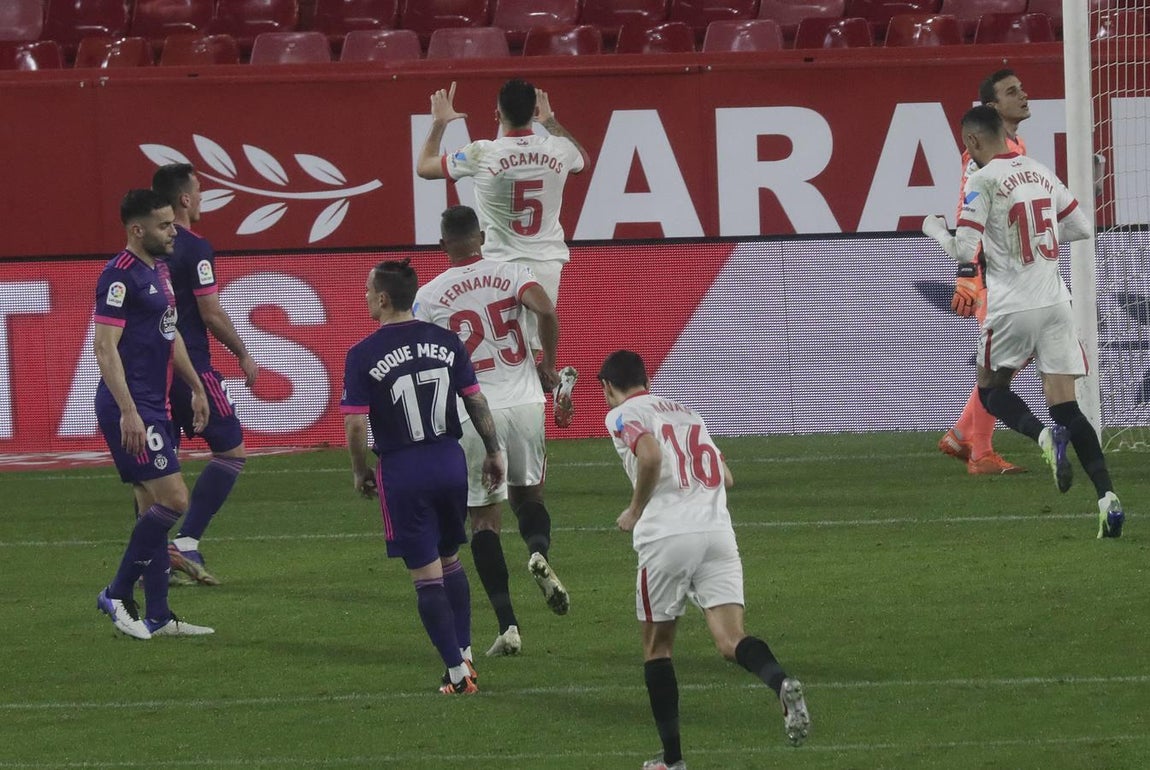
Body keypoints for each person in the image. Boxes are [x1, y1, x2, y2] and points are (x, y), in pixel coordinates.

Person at [598, 350, 811, 770]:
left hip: (667, 538)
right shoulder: (688, 413)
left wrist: (635, 510)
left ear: (607, 386)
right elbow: (726, 477)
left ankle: (673, 761)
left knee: (657, 650)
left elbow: (651, 456)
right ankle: (780, 682)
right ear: (646, 379)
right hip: (717, 533)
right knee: (731, 640)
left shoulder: (622, 414)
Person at [922, 106, 1125, 538]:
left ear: (973, 142)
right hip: (1055, 302)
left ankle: (1043, 438)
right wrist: (1035, 237)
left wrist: (935, 230)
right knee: (1068, 407)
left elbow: (965, 251)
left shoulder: (981, 180)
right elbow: (1081, 227)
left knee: (991, 391)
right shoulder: (1039, 170)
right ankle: (1107, 498)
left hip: (1012, 306)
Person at [341, 258, 506, 694]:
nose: (364, 297)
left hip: (404, 468)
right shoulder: (447, 342)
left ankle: (456, 673)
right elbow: (475, 400)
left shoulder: (362, 354)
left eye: (367, 291)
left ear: (382, 298)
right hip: (449, 460)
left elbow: (355, 423)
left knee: (425, 575)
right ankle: (465, 653)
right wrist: (493, 451)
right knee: (450, 559)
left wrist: (359, 469)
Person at [415, 205, 569, 658]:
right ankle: (538, 552)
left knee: (484, 520)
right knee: (530, 497)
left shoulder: (430, 294)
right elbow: (546, 310)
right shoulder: (513, 272)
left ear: (442, 245)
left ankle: (508, 625)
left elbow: (423, 357)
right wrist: (548, 365)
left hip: (474, 411)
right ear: (482, 237)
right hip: (524, 403)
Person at [416, 78, 589, 429]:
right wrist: (550, 121)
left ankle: (502, 427)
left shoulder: (482, 153)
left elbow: (425, 166)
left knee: (499, 353)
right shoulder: (558, 149)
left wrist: (439, 122)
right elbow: (582, 160)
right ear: (534, 112)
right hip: (545, 263)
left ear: (496, 113)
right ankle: (549, 383)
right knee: (528, 353)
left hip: (498, 266)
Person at [94, 189, 216, 639]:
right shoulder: (118, 276)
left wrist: (196, 386)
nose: (173, 232)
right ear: (137, 230)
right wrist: (128, 411)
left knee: (152, 509)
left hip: (155, 404)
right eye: (164, 226)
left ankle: (159, 616)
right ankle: (116, 592)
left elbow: (171, 333)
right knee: (175, 500)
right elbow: (104, 348)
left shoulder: (159, 270)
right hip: (131, 406)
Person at [151, 163, 258, 586]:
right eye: (198, 190)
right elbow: (210, 313)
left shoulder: (145, 250)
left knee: (158, 472)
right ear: (184, 198)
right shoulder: (194, 247)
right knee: (231, 451)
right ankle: (187, 540)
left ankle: (154, 560)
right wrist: (244, 354)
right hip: (190, 365)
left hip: (149, 370)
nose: (202, 197)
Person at [939, 69, 1032, 475]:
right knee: (1003, 359)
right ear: (992, 106)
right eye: (1012, 92)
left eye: (1021, 89)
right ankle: (980, 453)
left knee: (1013, 354)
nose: (1023, 96)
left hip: (1007, 267)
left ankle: (963, 434)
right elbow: (967, 208)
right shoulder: (981, 153)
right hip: (987, 268)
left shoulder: (1014, 145)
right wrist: (967, 272)